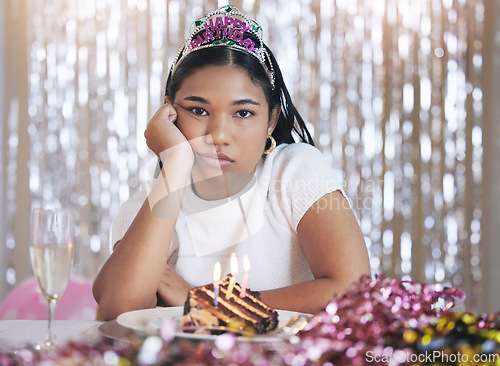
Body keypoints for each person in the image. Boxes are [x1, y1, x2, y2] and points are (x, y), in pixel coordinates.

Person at [93, 5, 370, 321]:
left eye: (243, 113)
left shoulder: (295, 172)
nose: (218, 135)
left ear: (270, 121)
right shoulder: (153, 205)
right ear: (168, 114)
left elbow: (355, 293)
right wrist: (176, 165)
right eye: (198, 111)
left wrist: (209, 305)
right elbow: (117, 312)